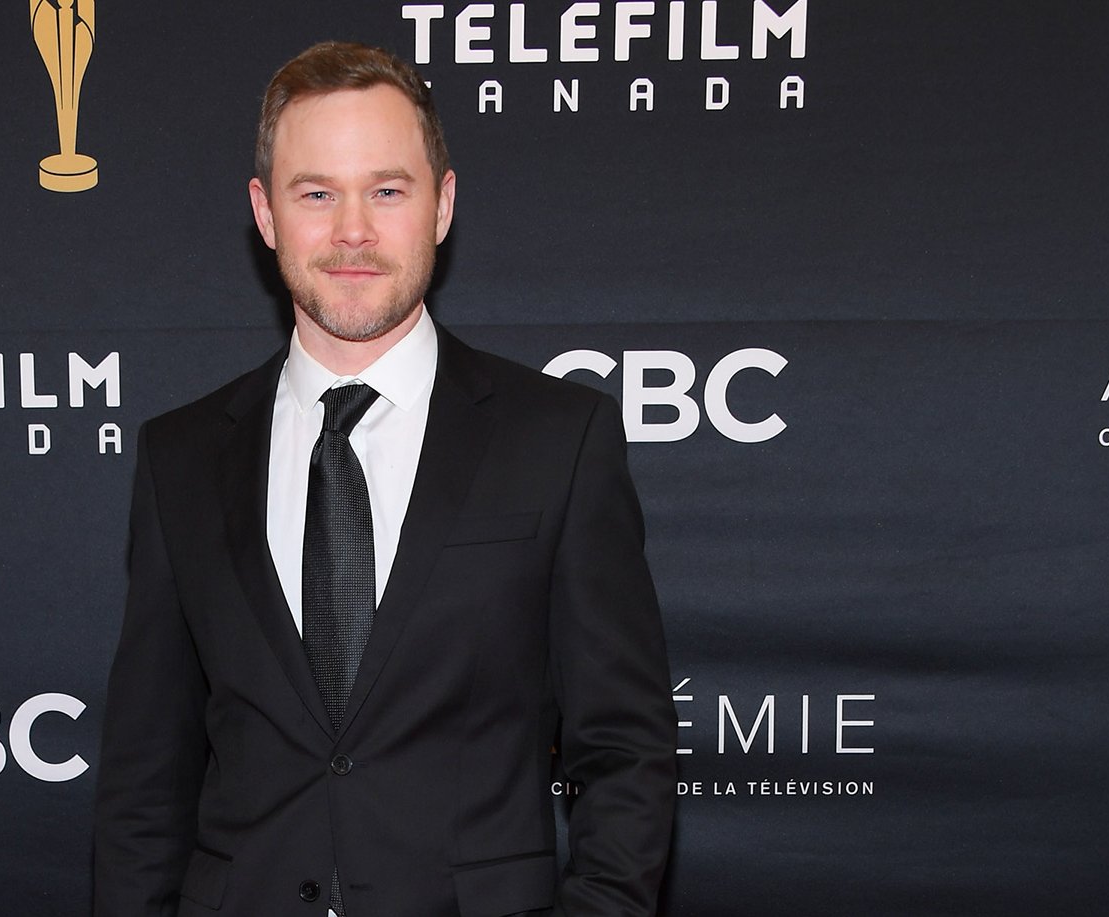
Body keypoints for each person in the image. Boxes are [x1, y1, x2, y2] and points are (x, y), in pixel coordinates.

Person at [94, 40, 676, 917]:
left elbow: (626, 749)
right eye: (316, 193)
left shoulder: (559, 439)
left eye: (388, 190)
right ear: (265, 212)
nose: (353, 229)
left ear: (442, 205)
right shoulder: (180, 457)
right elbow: (146, 774)